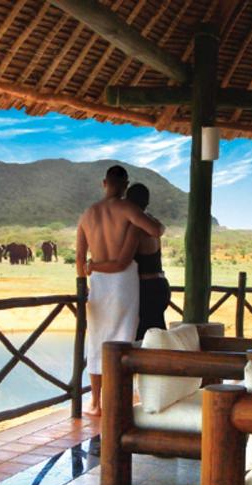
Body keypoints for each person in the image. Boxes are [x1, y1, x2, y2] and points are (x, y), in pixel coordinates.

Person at [76, 166, 165, 417]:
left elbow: (80, 259)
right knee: (123, 339)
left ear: (104, 183)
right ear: (125, 185)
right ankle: (119, 399)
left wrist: (84, 285)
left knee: (96, 340)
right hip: (123, 281)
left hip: (97, 282)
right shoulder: (127, 208)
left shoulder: (87, 214)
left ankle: (95, 403)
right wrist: (155, 221)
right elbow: (156, 231)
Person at [87, 183, 170, 340]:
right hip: (159, 286)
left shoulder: (137, 228)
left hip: (147, 291)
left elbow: (121, 263)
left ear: (128, 203)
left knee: (144, 342)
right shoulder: (152, 222)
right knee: (156, 340)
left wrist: (93, 266)